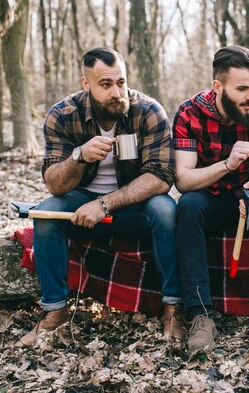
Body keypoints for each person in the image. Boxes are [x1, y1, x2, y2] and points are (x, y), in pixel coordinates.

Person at [17, 47, 184, 347]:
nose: (116, 92)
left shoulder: (147, 111)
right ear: (86, 84)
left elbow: (161, 178)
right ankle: (54, 312)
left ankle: (173, 307)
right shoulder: (63, 115)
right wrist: (78, 157)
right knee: (44, 215)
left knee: (166, 210)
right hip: (79, 201)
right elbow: (54, 184)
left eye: (120, 82)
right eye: (105, 85)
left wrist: (104, 204)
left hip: (133, 206)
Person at [173, 45, 249, 353]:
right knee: (187, 207)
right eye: (242, 88)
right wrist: (227, 165)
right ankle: (200, 314)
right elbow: (184, 180)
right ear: (218, 86)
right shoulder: (189, 113)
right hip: (210, 199)